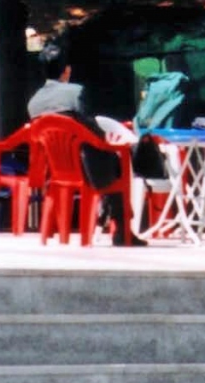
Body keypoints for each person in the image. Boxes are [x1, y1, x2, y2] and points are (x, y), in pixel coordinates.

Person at [27, 40, 146, 246]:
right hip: (87, 169)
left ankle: (106, 218)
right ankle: (121, 229)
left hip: (56, 172)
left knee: (108, 161)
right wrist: (108, 141)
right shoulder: (75, 92)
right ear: (67, 70)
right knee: (117, 162)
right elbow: (89, 129)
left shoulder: (34, 103)